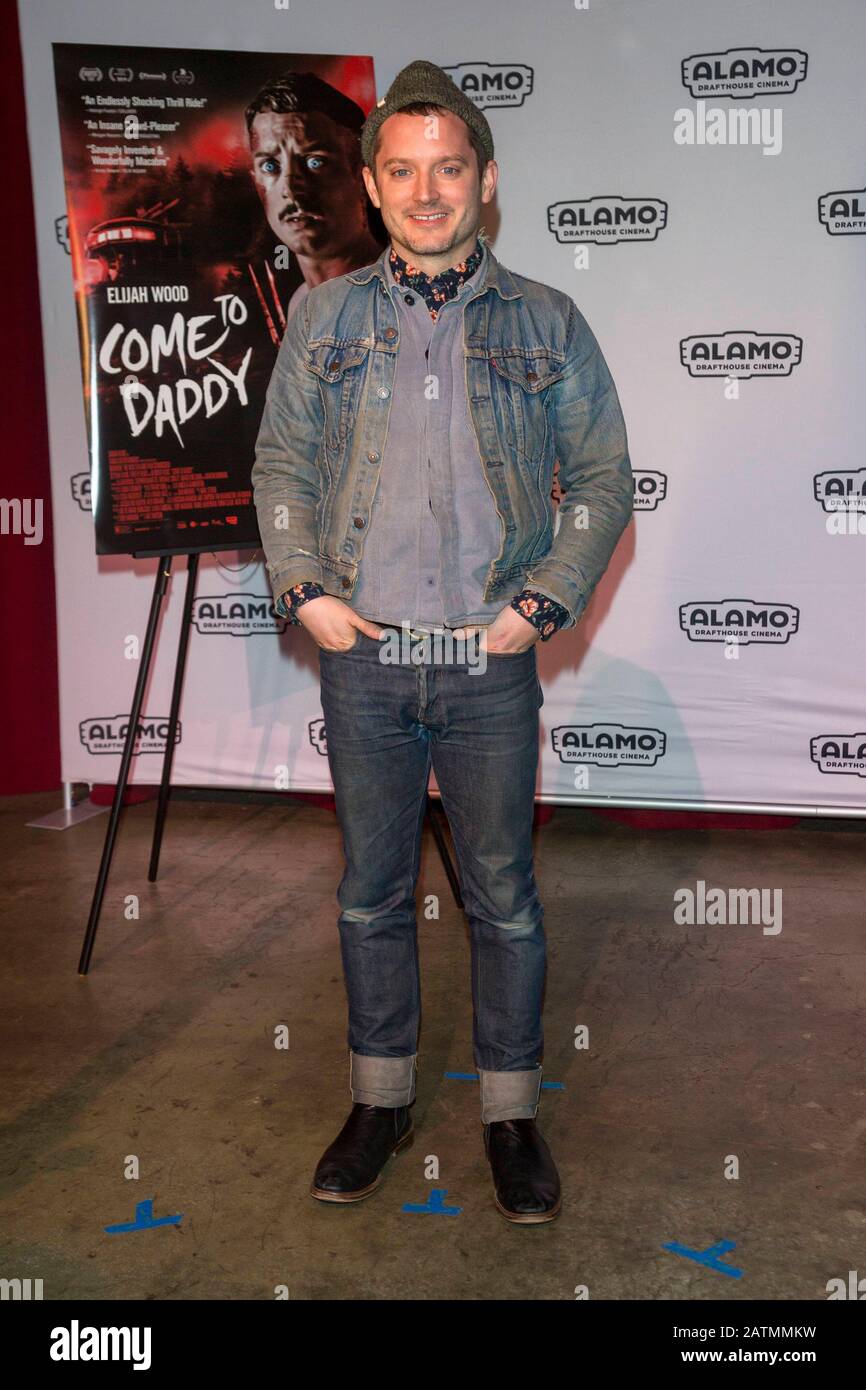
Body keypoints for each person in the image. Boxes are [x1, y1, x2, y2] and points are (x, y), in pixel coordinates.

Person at [252, 59, 633, 1223]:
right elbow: (281, 469)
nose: (426, 192)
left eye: (448, 169)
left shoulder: (546, 320)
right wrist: (303, 582)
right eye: (402, 171)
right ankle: (380, 1100)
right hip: (361, 655)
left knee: (502, 896)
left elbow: (604, 481)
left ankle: (510, 1115)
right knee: (369, 893)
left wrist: (540, 602)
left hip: (487, 660)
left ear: (485, 180)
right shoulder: (322, 314)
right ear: (371, 185)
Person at [245, 69, 384, 322]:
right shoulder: (301, 304)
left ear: (364, 174)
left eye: (315, 162)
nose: (290, 188)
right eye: (270, 166)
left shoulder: (402, 297)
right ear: (256, 181)